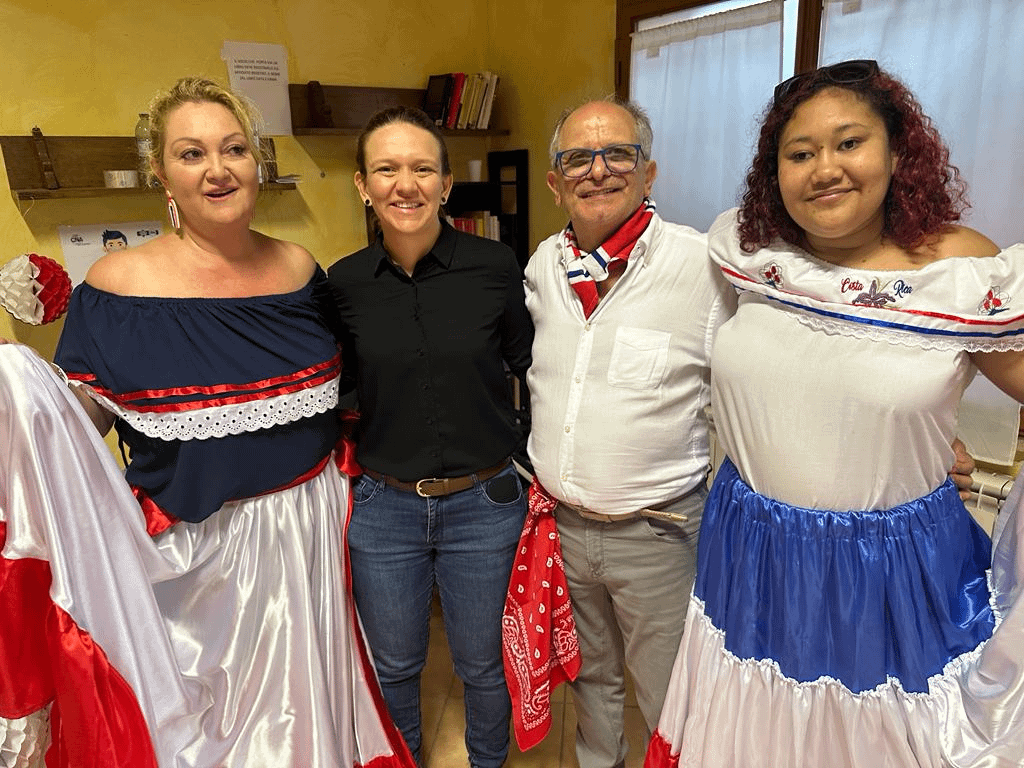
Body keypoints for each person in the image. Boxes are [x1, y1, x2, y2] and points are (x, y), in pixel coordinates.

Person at [0, 77, 413, 768]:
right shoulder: (117, 287)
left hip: (310, 537)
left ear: (258, 161)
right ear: (160, 173)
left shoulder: (301, 270)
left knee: (310, 730)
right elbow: (78, 429)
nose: (218, 169)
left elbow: (352, 385)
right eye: (191, 154)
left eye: (234, 149)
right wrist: (21, 392)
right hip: (197, 567)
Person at [647, 60, 1024, 768]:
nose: (825, 168)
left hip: (889, 573)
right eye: (800, 153)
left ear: (897, 152)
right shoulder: (751, 255)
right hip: (750, 548)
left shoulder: (958, 270)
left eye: (849, 143)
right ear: (775, 171)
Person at [521, 98, 734, 768]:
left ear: (649, 174)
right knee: (591, 682)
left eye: (619, 154)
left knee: (671, 695)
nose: (598, 170)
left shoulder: (703, 268)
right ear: (555, 182)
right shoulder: (541, 269)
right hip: (563, 527)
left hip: (659, 533)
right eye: (578, 158)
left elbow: (758, 380)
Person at [326, 105, 533, 768]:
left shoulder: (495, 267)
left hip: (486, 502)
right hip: (385, 508)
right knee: (393, 666)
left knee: (483, 665)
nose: (404, 184)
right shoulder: (343, 283)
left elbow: (525, 364)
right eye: (386, 169)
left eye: (421, 168)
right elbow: (342, 386)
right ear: (362, 184)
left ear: (446, 184)